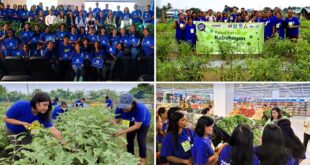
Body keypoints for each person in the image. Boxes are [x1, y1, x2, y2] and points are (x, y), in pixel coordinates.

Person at [113, 93, 151, 165]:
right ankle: (130, 158)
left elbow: (137, 126)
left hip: (143, 123)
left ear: (133, 104)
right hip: (130, 121)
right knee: (129, 139)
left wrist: (123, 131)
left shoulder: (140, 108)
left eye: (126, 107)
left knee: (141, 139)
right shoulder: (119, 108)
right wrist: (115, 128)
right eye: (123, 107)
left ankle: (142, 160)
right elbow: (117, 121)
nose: (124, 109)